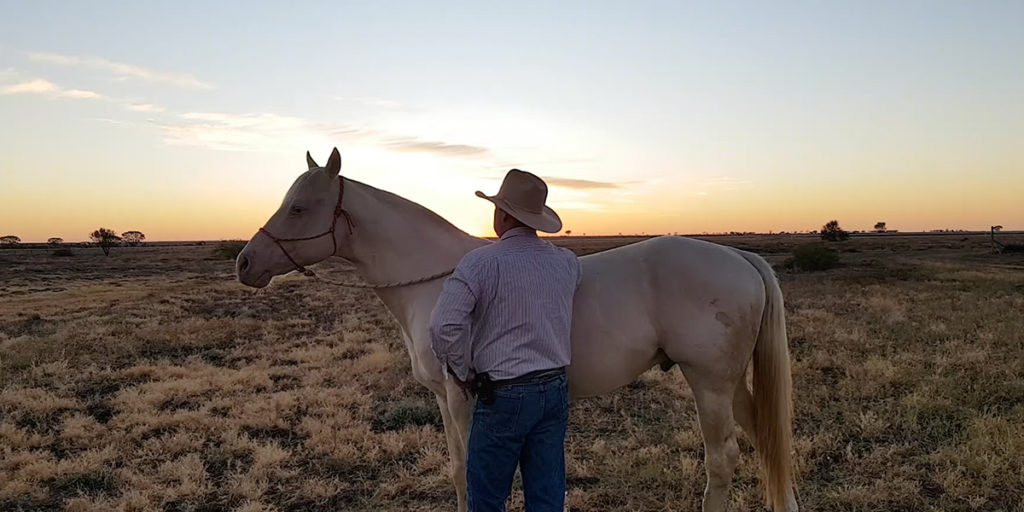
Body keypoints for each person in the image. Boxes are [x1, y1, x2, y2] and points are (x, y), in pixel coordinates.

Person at [429, 169, 582, 512]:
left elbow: (442, 326)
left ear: (500, 215)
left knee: (486, 497)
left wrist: (461, 370)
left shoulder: (479, 263)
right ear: (536, 218)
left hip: (505, 394)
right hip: (555, 388)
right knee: (546, 494)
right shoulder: (566, 262)